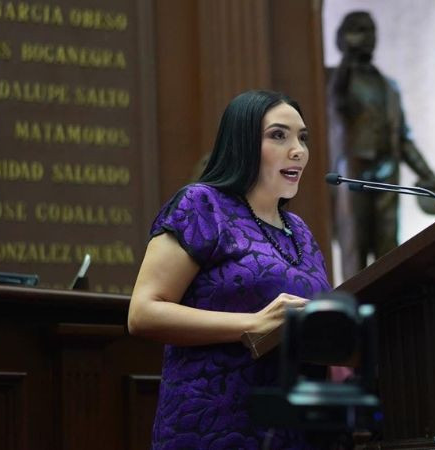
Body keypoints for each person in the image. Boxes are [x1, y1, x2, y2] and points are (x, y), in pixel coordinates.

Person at [128, 90, 330, 449]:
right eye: (278, 135)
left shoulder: (299, 229)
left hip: (293, 429)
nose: (297, 149)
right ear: (242, 142)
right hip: (212, 424)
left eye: (303, 137)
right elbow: (143, 313)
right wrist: (251, 325)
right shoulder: (202, 204)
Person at [327, 11, 435, 280]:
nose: (368, 36)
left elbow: (403, 139)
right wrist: (347, 57)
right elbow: (337, 102)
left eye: (371, 30)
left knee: (389, 253)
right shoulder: (338, 81)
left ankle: (389, 315)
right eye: (358, 29)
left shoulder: (389, 87)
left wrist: (429, 175)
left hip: (387, 175)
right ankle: (357, 318)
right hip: (352, 176)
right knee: (355, 255)